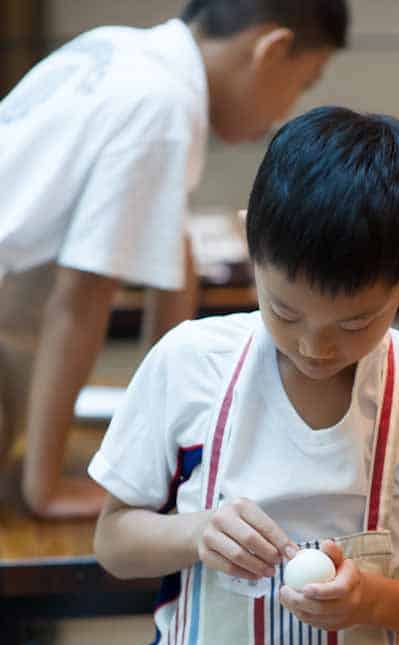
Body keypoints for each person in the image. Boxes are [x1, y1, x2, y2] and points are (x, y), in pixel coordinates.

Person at [90, 106, 399, 645]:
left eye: (356, 322)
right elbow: (113, 543)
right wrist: (197, 534)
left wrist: (372, 600)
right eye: (285, 312)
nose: (316, 347)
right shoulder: (188, 364)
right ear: (250, 244)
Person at [0, 0, 348, 519]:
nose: (286, 110)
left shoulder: (121, 51)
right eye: (304, 82)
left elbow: (176, 262)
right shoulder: (161, 106)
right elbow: (81, 300)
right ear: (272, 51)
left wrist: (163, 444)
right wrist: (45, 488)